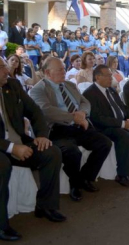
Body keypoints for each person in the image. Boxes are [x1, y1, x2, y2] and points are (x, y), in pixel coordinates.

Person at [0, 58, 65, 241]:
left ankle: (46, 206)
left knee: (51, 152)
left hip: (19, 142)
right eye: (2, 67)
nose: (7, 71)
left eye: (6, 66)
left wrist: (42, 134)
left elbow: (35, 111)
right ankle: (1, 225)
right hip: (4, 147)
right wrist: (12, 148)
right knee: (2, 164)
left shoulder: (12, 85)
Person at [29, 57, 112, 202]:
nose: (64, 71)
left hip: (78, 125)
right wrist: (73, 117)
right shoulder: (38, 90)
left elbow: (84, 102)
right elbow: (46, 111)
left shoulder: (69, 85)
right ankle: (75, 185)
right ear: (48, 72)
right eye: (60, 69)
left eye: (63, 67)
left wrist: (82, 114)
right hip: (56, 129)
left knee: (104, 143)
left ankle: (86, 177)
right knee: (73, 152)